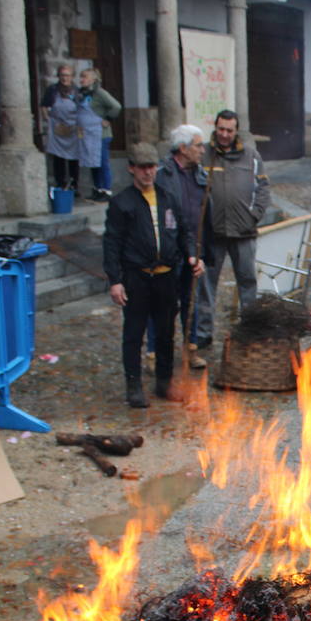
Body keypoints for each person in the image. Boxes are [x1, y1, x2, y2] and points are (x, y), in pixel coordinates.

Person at [103, 143, 204, 408]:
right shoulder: (121, 203)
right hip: (137, 276)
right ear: (132, 169)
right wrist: (115, 280)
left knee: (165, 331)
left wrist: (192, 254)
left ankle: (164, 382)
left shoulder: (168, 197)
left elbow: (185, 232)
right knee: (134, 332)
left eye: (152, 167)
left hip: (166, 276)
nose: (148, 173)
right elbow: (111, 243)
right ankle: (134, 384)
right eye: (143, 168)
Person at [192, 110, 271, 358]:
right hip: (212, 234)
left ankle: (249, 331)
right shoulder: (203, 154)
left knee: (247, 282)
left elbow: (263, 188)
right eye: (221, 129)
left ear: (237, 131)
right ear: (215, 128)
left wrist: (254, 214)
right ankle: (203, 335)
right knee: (205, 286)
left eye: (230, 130)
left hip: (244, 232)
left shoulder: (251, 156)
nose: (225, 134)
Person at [156, 124, 210, 368]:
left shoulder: (200, 174)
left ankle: (191, 349)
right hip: (169, 249)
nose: (202, 149)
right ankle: (155, 353)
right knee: (164, 303)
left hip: (193, 246)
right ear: (182, 148)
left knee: (192, 301)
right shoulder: (163, 175)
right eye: (198, 145)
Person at [78, 68, 121, 201]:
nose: (81, 80)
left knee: (103, 163)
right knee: (93, 163)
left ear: (93, 79)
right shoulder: (83, 94)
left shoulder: (100, 93)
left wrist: (108, 119)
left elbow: (116, 106)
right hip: (89, 135)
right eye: (81, 77)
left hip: (101, 135)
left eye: (84, 77)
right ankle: (97, 189)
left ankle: (106, 190)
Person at [40, 65, 82, 190]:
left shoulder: (77, 91)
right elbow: (43, 106)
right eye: (62, 75)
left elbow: (82, 108)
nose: (65, 78)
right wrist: (47, 119)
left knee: (74, 157)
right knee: (58, 157)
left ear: (72, 77)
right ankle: (61, 182)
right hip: (57, 127)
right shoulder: (52, 90)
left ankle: (74, 184)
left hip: (73, 128)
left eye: (67, 75)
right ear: (58, 76)